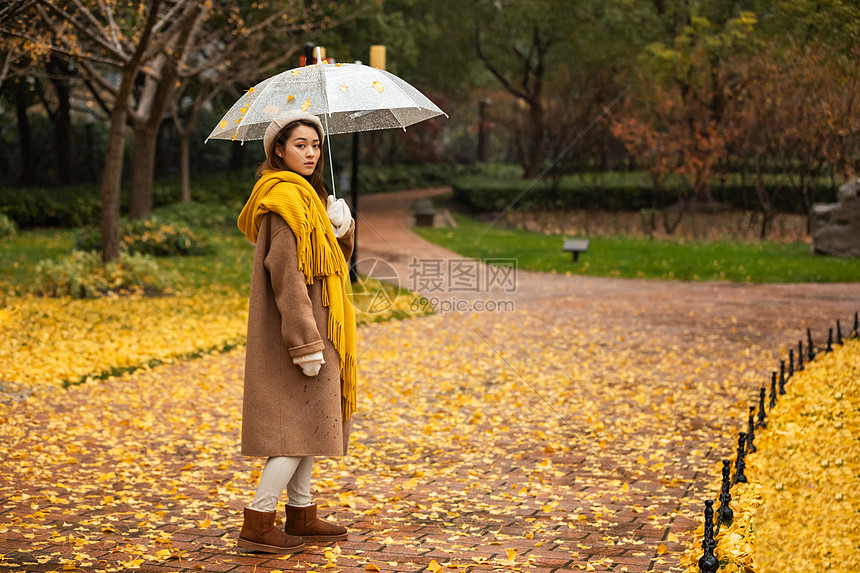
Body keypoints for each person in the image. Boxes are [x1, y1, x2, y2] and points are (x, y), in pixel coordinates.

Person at [235, 110, 357, 553]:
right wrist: (305, 344)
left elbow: (330, 267)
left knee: (309, 426)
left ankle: (301, 514)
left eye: (315, 145)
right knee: (291, 430)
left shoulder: (309, 201)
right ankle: (259, 520)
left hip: (317, 328)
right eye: (300, 145)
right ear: (278, 151)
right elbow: (286, 278)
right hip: (299, 334)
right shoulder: (285, 203)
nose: (310, 153)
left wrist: (340, 229)